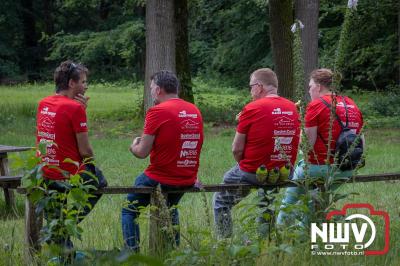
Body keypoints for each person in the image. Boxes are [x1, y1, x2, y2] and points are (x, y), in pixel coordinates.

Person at [212, 68, 300, 238]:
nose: (251, 91)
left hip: (252, 170)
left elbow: (236, 149)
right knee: (267, 204)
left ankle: (224, 241)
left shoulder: (252, 108)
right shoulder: (292, 107)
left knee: (221, 201)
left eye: (251, 86)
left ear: (259, 87)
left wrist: (244, 166)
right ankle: (265, 241)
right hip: (283, 171)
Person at [121, 70, 204, 251]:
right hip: (187, 176)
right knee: (170, 208)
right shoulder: (194, 110)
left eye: (151, 88)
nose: (150, 92)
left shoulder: (157, 112)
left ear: (158, 90)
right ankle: (171, 253)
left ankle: (131, 254)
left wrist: (133, 145)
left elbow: (142, 152)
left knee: (129, 210)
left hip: (161, 176)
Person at [276, 68, 364, 226]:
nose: (309, 91)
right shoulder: (350, 103)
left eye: (310, 87)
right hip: (346, 169)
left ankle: (281, 231)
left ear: (318, 86)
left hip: (319, 167)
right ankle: (308, 237)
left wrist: (301, 128)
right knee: (314, 202)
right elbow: (361, 141)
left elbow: (307, 146)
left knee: (289, 201)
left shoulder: (316, 105)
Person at [36, 60, 107, 251]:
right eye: (83, 82)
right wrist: (91, 164)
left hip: (44, 170)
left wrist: (79, 111)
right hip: (66, 174)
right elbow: (85, 151)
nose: (86, 86)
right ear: (71, 83)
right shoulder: (75, 108)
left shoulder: (43, 103)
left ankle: (60, 242)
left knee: (55, 218)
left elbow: (60, 129)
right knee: (98, 182)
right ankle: (65, 227)